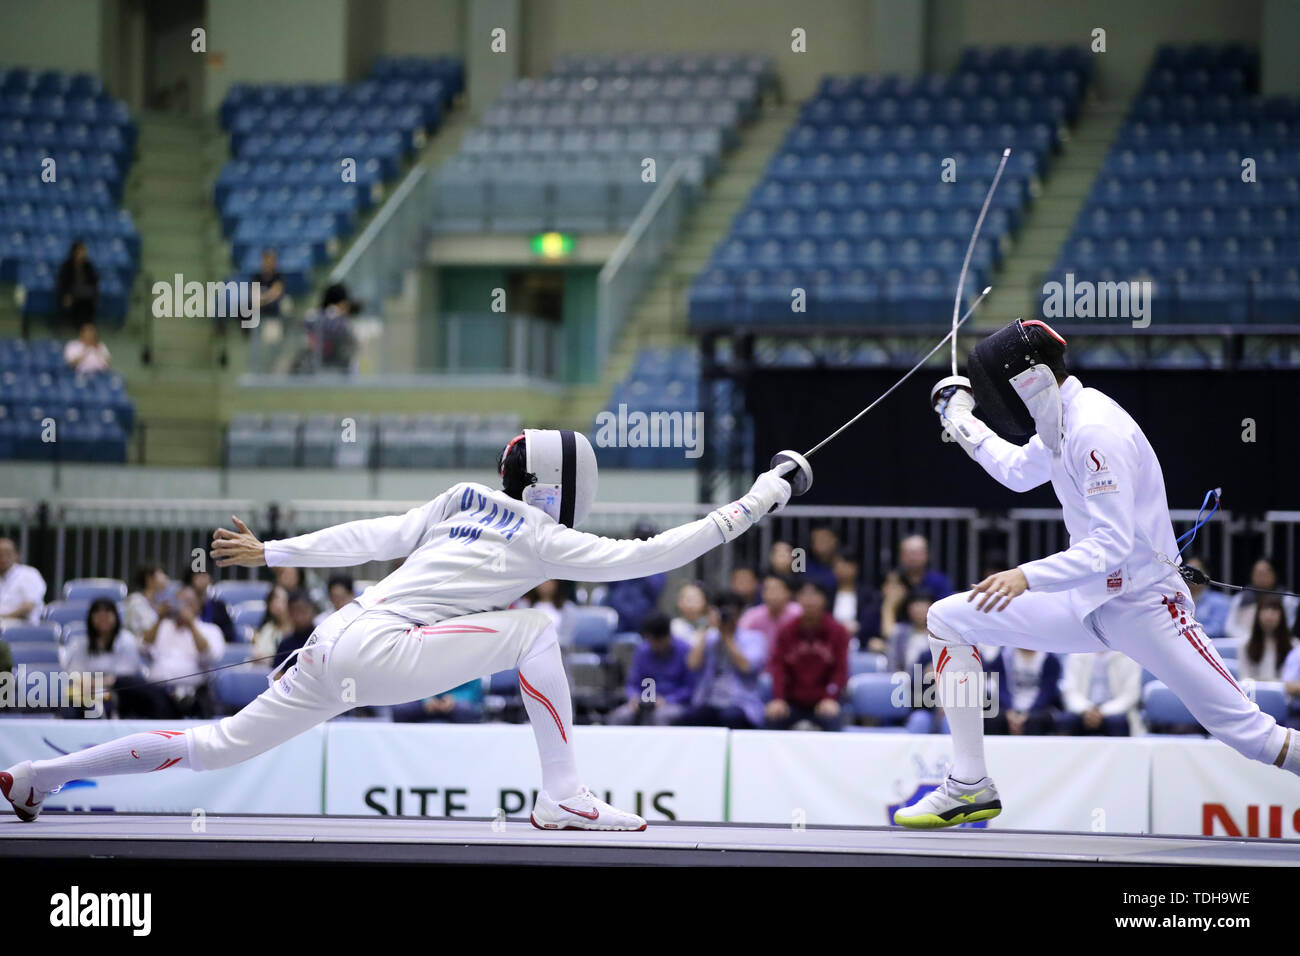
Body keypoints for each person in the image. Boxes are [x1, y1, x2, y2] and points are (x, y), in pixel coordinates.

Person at [2, 428, 792, 829]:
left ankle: (39, 778)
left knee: (213, 747)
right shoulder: (542, 537)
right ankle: (563, 796)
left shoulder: (459, 501)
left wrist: (275, 551)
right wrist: (758, 499)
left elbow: (374, 536)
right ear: (558, 487)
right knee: (536, 633)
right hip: (378, 648)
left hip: (336, 636)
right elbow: (655, 553)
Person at [895, 318, 1300, 829]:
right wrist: (960, 417)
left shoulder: (1094, 430)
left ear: (1029, 379)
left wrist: (1025, 576)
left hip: (1145, 608)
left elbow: (1111, 545)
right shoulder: (1058, 420)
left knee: (1252, 736)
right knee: (949, 619)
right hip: (1084, 604)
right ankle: (970, 783)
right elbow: (1018, 473)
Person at [766, 581, 849, 732]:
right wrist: (778, 698)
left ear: (824, 599)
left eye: (814, 595)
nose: (809, 600)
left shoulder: (838, 631)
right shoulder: (786, 631)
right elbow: (778, 668)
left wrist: (830, 697)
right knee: (773, 717)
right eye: (805, 594)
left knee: (833, 718)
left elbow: (840, 670)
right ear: (797, 599)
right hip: (792, 701)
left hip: (824, 701)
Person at [678, 591, 768, 730]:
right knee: (690, 717)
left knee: (730, 716)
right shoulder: (710, 637)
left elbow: (746, 667)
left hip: (740, 703)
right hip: (709, 701)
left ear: (739, 614)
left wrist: (727, 637)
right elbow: (692, 665)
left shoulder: (753, 638)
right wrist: (706, 628)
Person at [136, 585, 225, 719]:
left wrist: (191, 625)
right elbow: (143, 647)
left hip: (192, 695)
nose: (182, 607)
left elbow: (209, 656)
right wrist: (159, 619)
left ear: (197, 607)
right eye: (179, 602)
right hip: (157, 691)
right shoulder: (162, 626)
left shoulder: (210, 630)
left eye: (187, 603)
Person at [63, 598, 147, 719]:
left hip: (119, 692)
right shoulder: (81, 643)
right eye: (97, 613)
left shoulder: (126, 640)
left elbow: (124, 676)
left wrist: (95, 683)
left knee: (100, 706)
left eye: (107, 612)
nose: (103, 617)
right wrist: (86, 684)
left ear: (116, 617)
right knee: (69, 706)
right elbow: (75, 672)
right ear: (90, 618)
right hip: (86, 691)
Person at [607, 613, 694, 725]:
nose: (657, 645)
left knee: (660, 716)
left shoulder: (684, 650)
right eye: (653, 641)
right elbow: (632, 683)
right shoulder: (642, 650)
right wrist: (634, 698)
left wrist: (667, 700)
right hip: (643, 702)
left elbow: (689, 688)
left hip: (674, 703)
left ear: (669, 637)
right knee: (620, 716)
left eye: (660, 641)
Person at [601, 522, 667, 633]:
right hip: (618, 618)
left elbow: (655, 589)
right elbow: (606, 580)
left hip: (642, 621)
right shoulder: (623, 558)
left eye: (647, 539)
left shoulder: (657, 565)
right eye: (639, 539)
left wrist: (642, 562)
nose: (643, 543)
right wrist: (621, 553)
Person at [1057, 650, 1142, 736]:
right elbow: (1070, 692)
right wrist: (1087, 709)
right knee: (1066, 720)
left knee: (1117, 722)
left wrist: (1102, 711)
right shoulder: (1076, 655)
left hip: (1114, 712)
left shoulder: (1128, 657)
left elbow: (1131, 695)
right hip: (1083, 711)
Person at [987, 648, 1062, 736]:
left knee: (1036, 720)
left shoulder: (1050, 659)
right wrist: (1009, 711)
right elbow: (999, 686)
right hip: (1008, 708)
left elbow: (1047, 692)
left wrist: (1028, 713)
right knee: (993, 716)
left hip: (1038, 709)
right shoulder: (1004, 656)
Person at [1224, 558, 1299, 645]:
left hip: (1278, 644)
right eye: (1257, 573)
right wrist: (1251, 639)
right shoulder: (1240, 598)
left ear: (1275, 574)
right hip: (1244, 644)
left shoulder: (1287, 598)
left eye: (1264, 573)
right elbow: (1230, 627)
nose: (1261, 577)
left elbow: (1291, 625)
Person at [737, 571, 800, 654]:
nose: (771, 594)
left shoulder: (799, 613)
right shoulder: (752, 615)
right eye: (767, 589)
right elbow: (739, 636)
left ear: (788, 593)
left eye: (776, 589)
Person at [1239, 594, 1296, 683]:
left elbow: (1293, 681)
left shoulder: (1294, 646)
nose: (1269, 615)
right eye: (1265, 609)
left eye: (1274, 610)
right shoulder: (1245, 645)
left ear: (1282, 615)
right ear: (1258, 614)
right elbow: (1244, 679)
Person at [392, 679, 484, 723]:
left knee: (464, 710)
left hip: (456, 704)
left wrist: (454, 698)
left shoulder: (469, 653)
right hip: (425, 701)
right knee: (401, 709)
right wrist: (426, 699)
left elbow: (473, 690)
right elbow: (412, 682)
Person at [185, 569, 237, 647]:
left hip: (215, 648)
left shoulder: (219, 607)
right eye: (197, 575)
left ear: (209, 579)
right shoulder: (183, 607)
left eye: (204, 575)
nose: (201, 579)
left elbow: (229, 636)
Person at [0, 538, 46, 625]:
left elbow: (28, 607)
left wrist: (3, 618)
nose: (3, 558)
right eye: (0, 554)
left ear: (17, 555)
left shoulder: (29, 574)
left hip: (23, 628)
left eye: (7, 553)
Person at [1185, 556, 1231, 640]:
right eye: (1186, 571)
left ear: (1205, 575)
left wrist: (1187, 632)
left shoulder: (1219, 601)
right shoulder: (1179, 600)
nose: (1189, 575)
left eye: (1194, 571)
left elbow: (1218, 630)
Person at [56, 238, 98, 326]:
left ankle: (86, 327)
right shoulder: (67, 266)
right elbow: (62, 283)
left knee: (88, 302)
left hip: (85, 297)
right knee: (70, 301)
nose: (84, 253)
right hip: (71, 295)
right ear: (75, 252)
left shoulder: (88, 266)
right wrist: (66, 295)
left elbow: (94, 283)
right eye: (81, 250)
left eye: (84, 250)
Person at [123, 563, 168, 636]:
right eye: (160, 573)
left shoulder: (159, 603)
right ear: (149, 578)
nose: (165, 577)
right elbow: (143, 636)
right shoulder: (135, 602)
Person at [251, 583, 292, 662]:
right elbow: (257, 656)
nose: (277, 604)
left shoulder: (298, 631)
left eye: (281, 600)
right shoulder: (267, 629)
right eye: (273, 600)